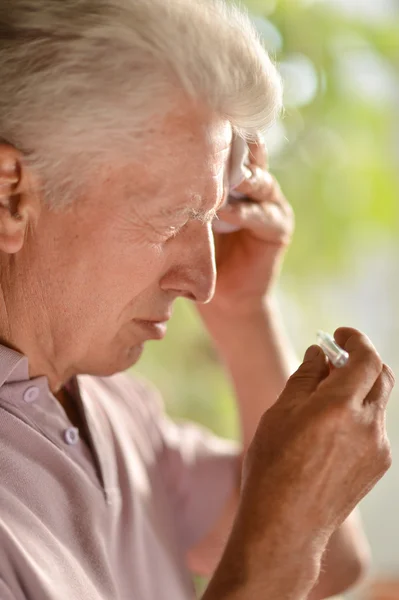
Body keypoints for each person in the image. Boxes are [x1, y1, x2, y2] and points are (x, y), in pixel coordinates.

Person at [0, 1, 394, 599]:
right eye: (172, 218)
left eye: (210, 217)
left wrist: (243, 312)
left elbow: (329, 563)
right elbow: (285, 544)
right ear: (11, 199)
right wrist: (287, 532)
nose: (202, 280)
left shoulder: (114, 408)